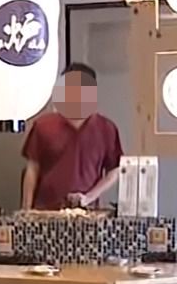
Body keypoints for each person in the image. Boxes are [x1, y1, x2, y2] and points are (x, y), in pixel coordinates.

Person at [21, 62, 124, 211]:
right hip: (45, 212)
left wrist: (89, 197)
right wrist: (26, 210)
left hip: (87, 213)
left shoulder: (106, 129)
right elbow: (32, 169)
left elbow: (114, 170)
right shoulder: (43, 125)